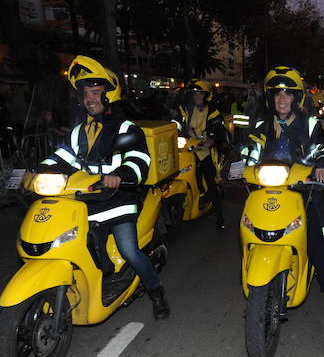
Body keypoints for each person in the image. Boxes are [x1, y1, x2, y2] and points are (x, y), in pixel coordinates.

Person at [40, 55, 170, 320]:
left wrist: (120, 175)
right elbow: (62, 157)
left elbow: (139, 160)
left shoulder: (125, 127)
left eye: (96, 92)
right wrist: (38, 171)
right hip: (86, 200)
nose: (90, 98)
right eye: (86, 93)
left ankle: (157, 292)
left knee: (129, 250)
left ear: (109, 95)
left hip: (119, 200)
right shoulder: (78, 131)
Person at [242, 66, 324, 319]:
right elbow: (250, 151)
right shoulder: (262, 123)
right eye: (277, 94)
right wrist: (236, 165)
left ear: (297, 98)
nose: (282, 99)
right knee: (249, 229)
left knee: (315, 244)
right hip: (266, 190)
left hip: (303, 191)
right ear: (271, 98)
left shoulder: (309, 124)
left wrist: (321, 164)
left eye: (287, 94)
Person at [169, 79, 226, 229]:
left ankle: (220, 217)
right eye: (194, 94)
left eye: (200, 94)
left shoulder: (213, 111)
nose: (197, 97)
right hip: (187, 148)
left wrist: (211, 140)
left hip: (204, 150)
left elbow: (219, 130)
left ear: (206, 96)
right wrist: (172, 130)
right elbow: (177, 124)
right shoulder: (185, 109)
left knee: (210, 180)